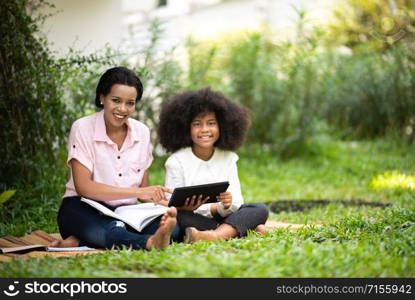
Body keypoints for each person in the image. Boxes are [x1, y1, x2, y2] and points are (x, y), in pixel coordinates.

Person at [52, 66, 179, 251]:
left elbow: (145, 192)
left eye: (130, 103)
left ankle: (82, 240)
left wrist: (176, 205)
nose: (123, 109)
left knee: (173, 227)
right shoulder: (82, 127)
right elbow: (83, 187)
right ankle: (149, 243)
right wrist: (137, 193)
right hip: (83, 208)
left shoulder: (141, 132)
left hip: (126, 213)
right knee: (109, 228)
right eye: (116, 100)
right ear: (102, 97)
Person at [157, 87, 269, 243]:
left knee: (259, 209)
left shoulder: (229, 158)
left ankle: (213, 236)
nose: (205, 130)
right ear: (186, 128)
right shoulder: (176, 161)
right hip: (194, 218)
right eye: (197, 124)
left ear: (222, 126)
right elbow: (170, 204)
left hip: (225, 216)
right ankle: (241, 230)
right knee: (179, 218)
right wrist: (210, 208)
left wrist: (228, 204)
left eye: (211, 123)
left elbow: (237, 201)